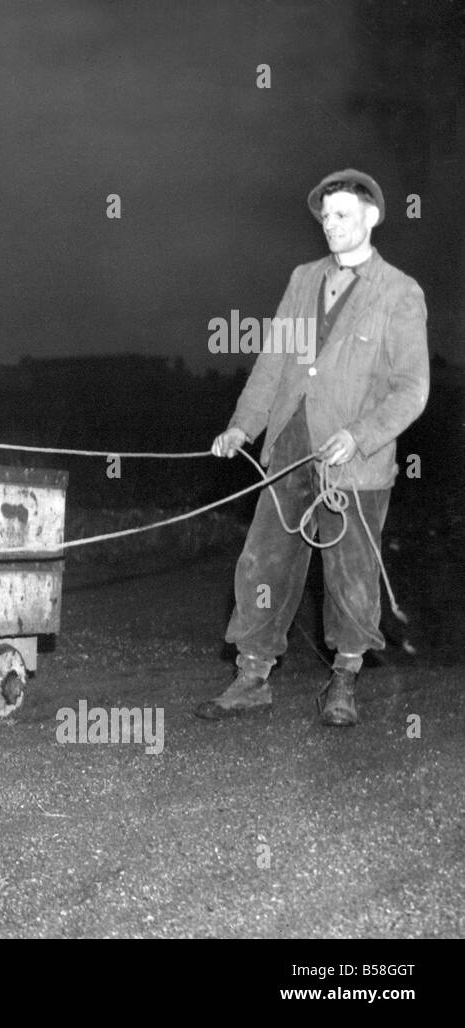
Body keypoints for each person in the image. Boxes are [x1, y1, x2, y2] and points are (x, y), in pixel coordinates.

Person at [196, 169, 429, 727]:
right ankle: (252, 675)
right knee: (263, 558)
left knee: (350, 572)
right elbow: (274, 361)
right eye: (325, 216)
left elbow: (412, 389)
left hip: (355, 460)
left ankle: (344, 680)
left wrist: (361, 435)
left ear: (372, 217)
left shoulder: (399, 291)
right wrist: (242, 426)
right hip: (291, 442)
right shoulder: (303, 279)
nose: (331, 225)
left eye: (343, 214)